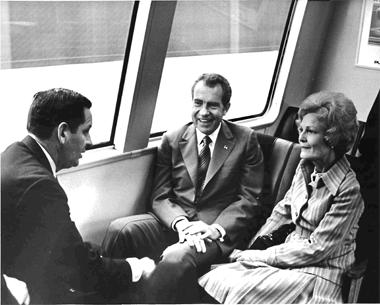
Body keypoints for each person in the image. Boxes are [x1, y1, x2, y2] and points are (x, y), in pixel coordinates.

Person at [102, 73, 264, 303]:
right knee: (121, 229)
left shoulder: (245, 140)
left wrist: (216, 229)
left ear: (226, 108)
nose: (204, 112)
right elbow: (159, 196)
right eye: (198, 103)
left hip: (214, 231)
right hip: (176, 222)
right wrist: (181, 223)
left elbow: (250, 199)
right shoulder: (173, 139)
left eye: (213, 105)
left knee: (176, 256)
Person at [199, 91, 364, 304]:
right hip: (289, 256)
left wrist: (257, 257)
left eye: (310, 131)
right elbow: (282, 212)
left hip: (321, 271)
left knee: (239, 288)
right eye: (301, 129)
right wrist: (253, 248)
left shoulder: (349, 190)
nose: (301, 138)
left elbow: (318, 248)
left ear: (332, 138)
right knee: (220, 278)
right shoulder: (305, 167)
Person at [1, 88, 155, 304]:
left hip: (16, 273)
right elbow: (77, 268)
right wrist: (137, 268)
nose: (90, 141)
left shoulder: (14, 154)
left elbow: (58, 248)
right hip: (27, 291)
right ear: (63, 133)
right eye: (86, 131)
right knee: (131, 299)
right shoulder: (40, 186)